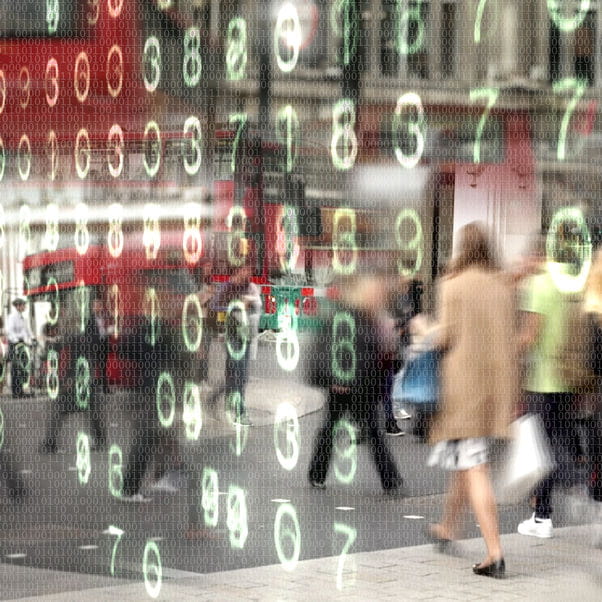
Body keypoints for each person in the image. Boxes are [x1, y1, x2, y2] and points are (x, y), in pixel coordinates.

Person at [427, 222, 518, 579]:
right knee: (467, 460)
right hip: (494, 387)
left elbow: (447, 336)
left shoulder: (452, 284)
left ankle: (495, 553)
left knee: (474, 466)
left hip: (462, 389)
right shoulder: (502, 286)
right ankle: (447, 527)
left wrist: (424, 332)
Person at [307, 271, 404, 493]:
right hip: (346, 385)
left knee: (364, 432)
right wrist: (335, 378)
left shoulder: (366, 317)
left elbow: (375, 352)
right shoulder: (344, 317)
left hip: (360, 385)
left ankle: (318, 474)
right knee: (341, 430)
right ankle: (388, 477)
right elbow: (329, 351)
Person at [516, 235, 579, 539]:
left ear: (537, 256)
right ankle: (579, 492)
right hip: (569, 376)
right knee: (561, 443)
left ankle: (541, 517)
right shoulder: (569, 281)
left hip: (543, 379)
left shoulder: (538, 285)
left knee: (541, 449)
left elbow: (530, 335)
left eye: (528, 258)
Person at [206, 265, 261, 426]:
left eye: (249, 270)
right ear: (237, 271)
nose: (248, 273)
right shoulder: (227, 287)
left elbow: (258, 307)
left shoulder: (250, 287)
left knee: (239, 376)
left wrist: (251, 303)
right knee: (239, 374)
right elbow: (214, 306)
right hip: (233, 336)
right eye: (245, 270)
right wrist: (235, 306)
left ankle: (217, 398)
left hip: (247, 335)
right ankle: (240, 413)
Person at [6, 298, 34, 398]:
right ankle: (15, 392)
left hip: (23, 345)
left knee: (23, 368)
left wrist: (32, 339)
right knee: (15, 368)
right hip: (15, 344)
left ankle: (21, 390)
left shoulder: (24, 318)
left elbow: (28, 331)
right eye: (23, 305)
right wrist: (17, 340)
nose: (24, 307)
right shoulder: (12, 317)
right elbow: (10, 331)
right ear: (17, 306)